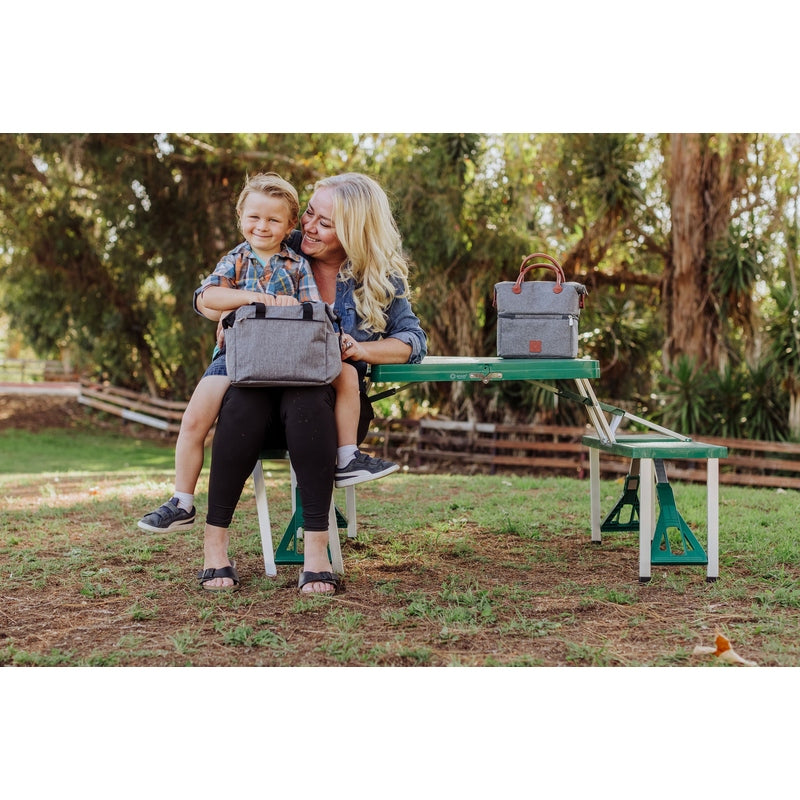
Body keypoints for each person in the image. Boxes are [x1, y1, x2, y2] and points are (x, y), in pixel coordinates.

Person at [196, 172, 427, 594]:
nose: (309, 226)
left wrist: (359, 349)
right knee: (241, 402)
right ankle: (215, 549)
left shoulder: (375, 279)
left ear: (354, 232)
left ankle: (316, 555)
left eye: (325, 223)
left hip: (331, 409)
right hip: (260, 396)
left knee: (307, 401)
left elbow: (413, 340)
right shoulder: (274, 250)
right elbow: (211, 298)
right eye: (309, 213)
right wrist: (237, 311)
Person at [138, 173, 398, 533]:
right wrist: (252, 301)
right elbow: (207, 296)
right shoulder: (237, 258)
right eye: (254, 217)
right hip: (238, 357)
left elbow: (317, 312)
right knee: (195, 417)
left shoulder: (297, 264)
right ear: (241, 218)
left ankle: (347, 456)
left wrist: (333, 333)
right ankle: (181, 501)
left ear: (287, 226)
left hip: (293, 358)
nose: (263, 226)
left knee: (348, 374)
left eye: (274, 220)